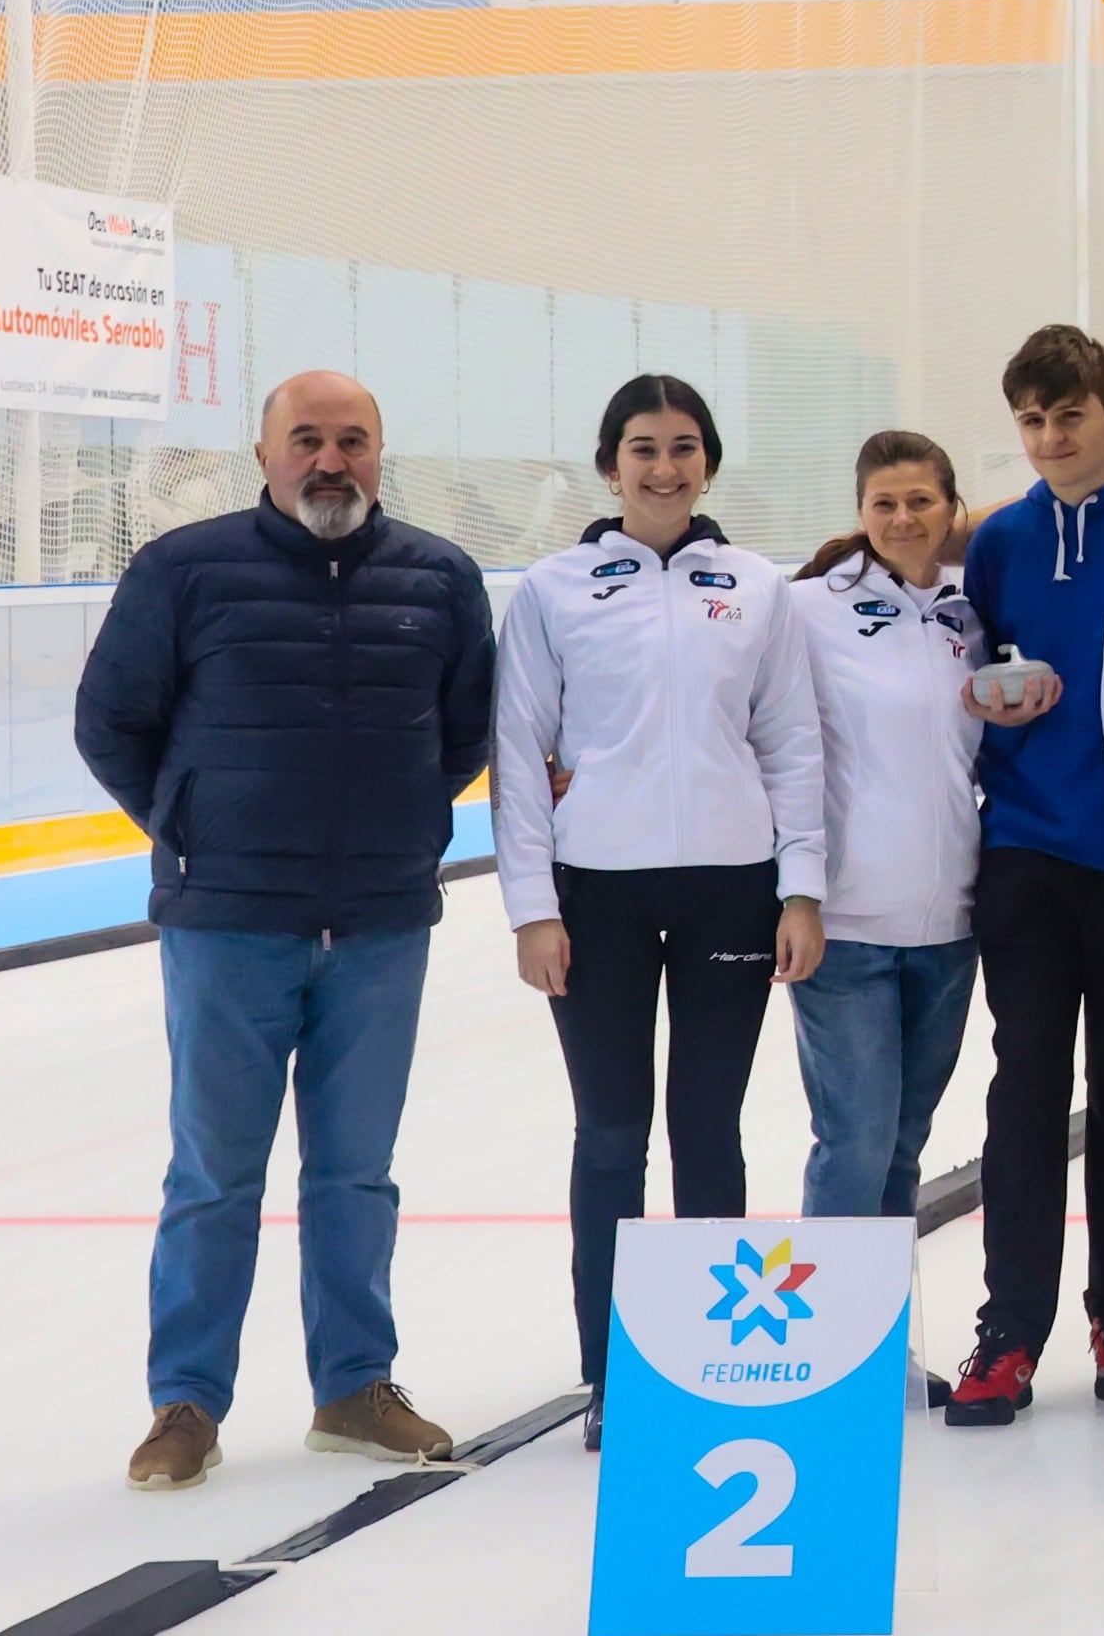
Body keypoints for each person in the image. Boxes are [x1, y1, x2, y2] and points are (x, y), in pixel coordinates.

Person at [77, 370, 492, 1493]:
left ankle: (355, 1386)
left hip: (378, 925)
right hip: (229, 925)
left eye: (351, 440)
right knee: (215, 1172)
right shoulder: (184, 570)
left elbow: (461, 739)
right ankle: (186, 1404)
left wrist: (393, 831)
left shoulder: (440, 580)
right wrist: (195, 824)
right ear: (262, 453)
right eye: (305, 440)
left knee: (357, 1173)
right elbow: (112, 720)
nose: (329, 461)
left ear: (380, 450)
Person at [491, 375, 825, 1447]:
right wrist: (532, 908)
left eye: (684, 447)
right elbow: (515, 754)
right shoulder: (552, 588)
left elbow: (792, 741)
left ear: (709, 463)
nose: (664, 467)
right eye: (642, 448)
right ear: (607, 465)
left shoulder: (758, 587)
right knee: (611, 1135)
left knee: (708, 1133)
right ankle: (615, 1375)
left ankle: (704, 1363)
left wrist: (801, 884)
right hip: (601, 898)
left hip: (731, 883)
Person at [944, 327, 1104, 1424]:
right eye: (1033, 422)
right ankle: (1007, 1333)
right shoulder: (999, 540)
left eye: (1070, 415)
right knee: (1026, 1092)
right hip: (1026, 852)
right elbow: (975, 660)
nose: (1052, 437)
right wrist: (990, 692)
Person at [785, 433, 985, 1224]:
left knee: (903, 1142)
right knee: (856, 1140)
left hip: (950, 925)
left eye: (920, 501)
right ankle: (833, 1343)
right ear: (861, 510)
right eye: (884, 503)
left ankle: (876, 1337)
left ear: (950, 507)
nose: (902, 518)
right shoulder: (806, 606)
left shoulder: (975, 607)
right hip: (846, 925)